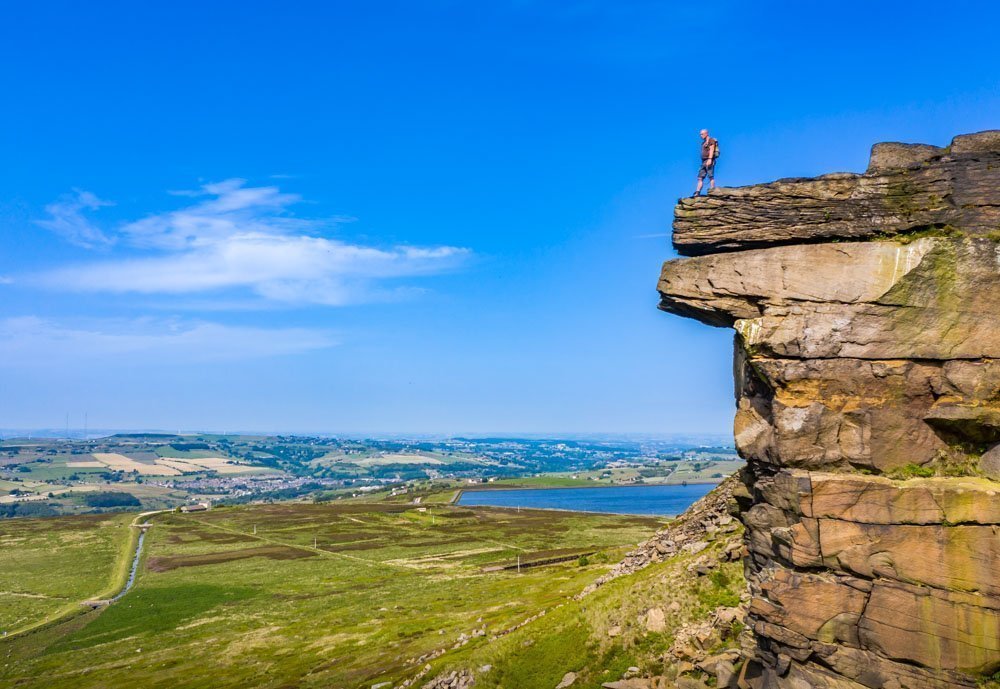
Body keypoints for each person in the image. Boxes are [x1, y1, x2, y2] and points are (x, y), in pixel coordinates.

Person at [693, 129, 718, 197]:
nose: (701, 136)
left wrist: (710, 159)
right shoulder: (703, 143)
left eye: (702, 134)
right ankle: (697, 192)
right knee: (700, 177)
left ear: (706, 133)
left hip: (709, 160)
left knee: (710, 176)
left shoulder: (711, 140)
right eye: (700, 134)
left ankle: (713, 190)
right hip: (703, 162)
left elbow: (712, 149)